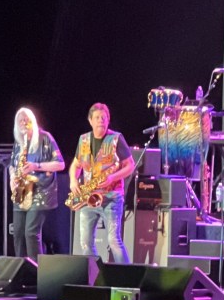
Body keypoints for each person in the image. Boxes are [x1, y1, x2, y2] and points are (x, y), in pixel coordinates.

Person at [69, 103, 135, 263]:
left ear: (108, 120)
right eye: (97, 117)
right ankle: (96, 274)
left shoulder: (116, 139)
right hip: (88, 198)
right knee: (86, 243)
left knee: (114, 241)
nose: (101, 121)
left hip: (111, 197)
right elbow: (76, 165)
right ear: (90, 120)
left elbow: (130, 166)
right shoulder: (83, 140)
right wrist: (73, 180)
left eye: (104, 118)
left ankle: (126, 276)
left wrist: (112, 178)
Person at [10, 107, 65, 261]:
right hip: (22, 192)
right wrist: (12, 178)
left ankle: (35, 270)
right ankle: (21, 270)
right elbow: (12, 165)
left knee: (31, 232)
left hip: (41, 192)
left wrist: (36, 166)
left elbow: (60, 164)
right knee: (18, 233)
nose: (23, 123)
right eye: (20, 120)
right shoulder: (19, 142)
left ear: (32, 121)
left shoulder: (45, 138)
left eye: (26, 120)